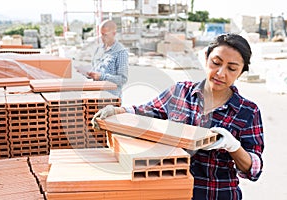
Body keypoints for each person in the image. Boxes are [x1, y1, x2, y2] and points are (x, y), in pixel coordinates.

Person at [91, 33, 264, 200]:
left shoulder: (247, 111)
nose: (220, 73)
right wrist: (118, 111)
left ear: (241, 72)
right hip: (174, 193)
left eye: (232, 68)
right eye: (216, 63)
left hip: (218, 194)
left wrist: (232, 145)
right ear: (206, 58)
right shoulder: (180, 92)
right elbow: (147, 110)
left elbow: (253, 169)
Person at [86, 19, 129, 97]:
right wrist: (90, 74)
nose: (102, 37)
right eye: (101, 34)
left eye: (105, 35)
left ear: (114, 33)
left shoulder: (120, 52)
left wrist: (102, 76)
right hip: (95, 96)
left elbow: (123, 79)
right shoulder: (99, 49)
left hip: (110, 98)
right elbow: (94, 69)